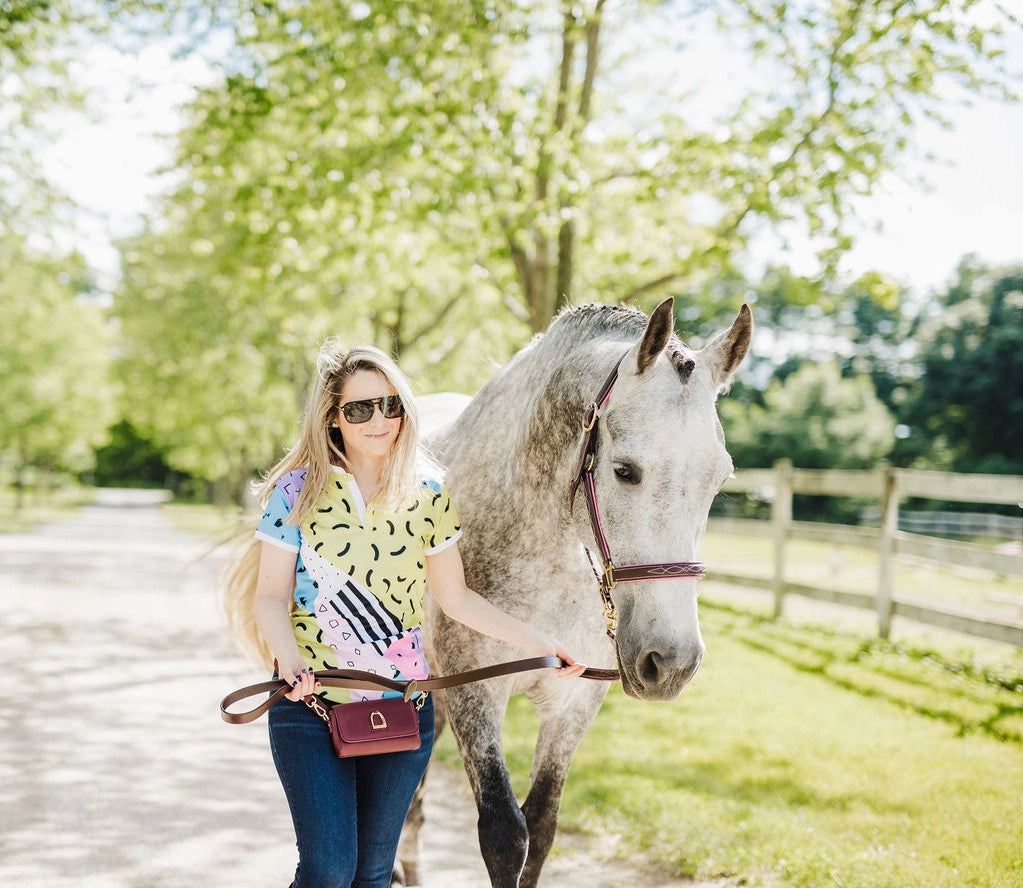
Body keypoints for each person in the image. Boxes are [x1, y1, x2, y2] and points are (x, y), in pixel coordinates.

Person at [224, 340, 584, 888]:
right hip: (310, 707)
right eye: (361, 408)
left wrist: (541, 644)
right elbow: (270, 598)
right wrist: (291, 662)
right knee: (328, 871)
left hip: (399, 713)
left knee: (371, 875)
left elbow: (458, 599)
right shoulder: (295, 492)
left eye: (391, 404)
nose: (379, 420)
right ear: (332, 417)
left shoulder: (429, 494)